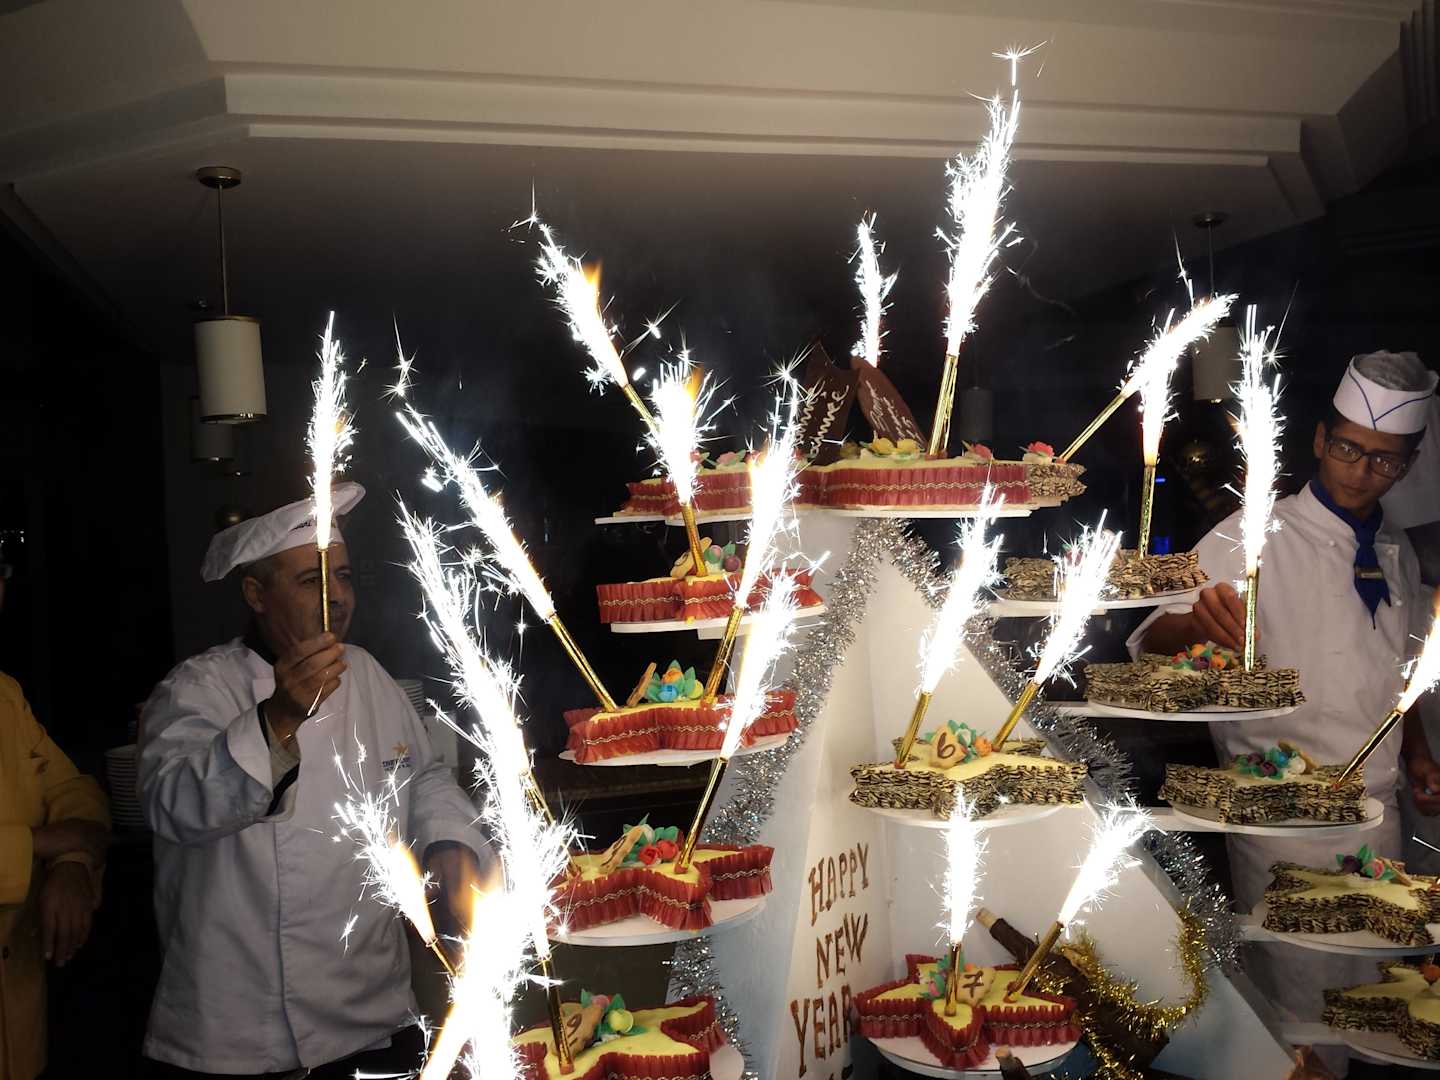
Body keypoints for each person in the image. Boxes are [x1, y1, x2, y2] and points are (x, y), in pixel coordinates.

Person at [1134, 350, 1440, 1070]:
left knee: (1376, 1015)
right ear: (1319, 440)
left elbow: (1399, 672)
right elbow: (1148, 642)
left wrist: (1419, 753)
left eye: (1385, 461)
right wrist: (1196, 622)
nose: (1361, 471)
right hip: (1279, 823)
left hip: (1379, 820)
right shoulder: (1251, 534)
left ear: (1408, 465)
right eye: (1348, 449)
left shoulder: (1396, 550)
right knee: (1301, 1030)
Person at [139, 482, 495, 1079]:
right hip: (241, 1033)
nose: (336, 597)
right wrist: (279, 717)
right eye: (310, 580)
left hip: (374, 1016)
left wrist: (449, 840)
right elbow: (173, 807)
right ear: (256, 593)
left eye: (344, 577)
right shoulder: (199, 689)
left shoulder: (369, 676)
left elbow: (422, 775)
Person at [0, 554, 110, 1080]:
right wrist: (42, 845)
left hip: (20, 1031)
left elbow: (74, 791)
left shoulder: (5, 695)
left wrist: (70, 862)